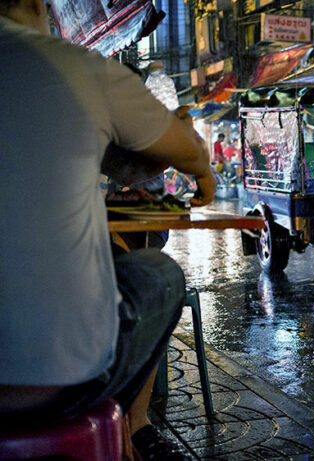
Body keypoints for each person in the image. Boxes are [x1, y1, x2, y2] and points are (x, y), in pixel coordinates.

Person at [0, 1, 215, 460]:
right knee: (159, 273)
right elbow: (189, 154)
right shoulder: (78, 69)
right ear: (41, 8)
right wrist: (206, 175)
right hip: (52, 382)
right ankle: (130, 429)